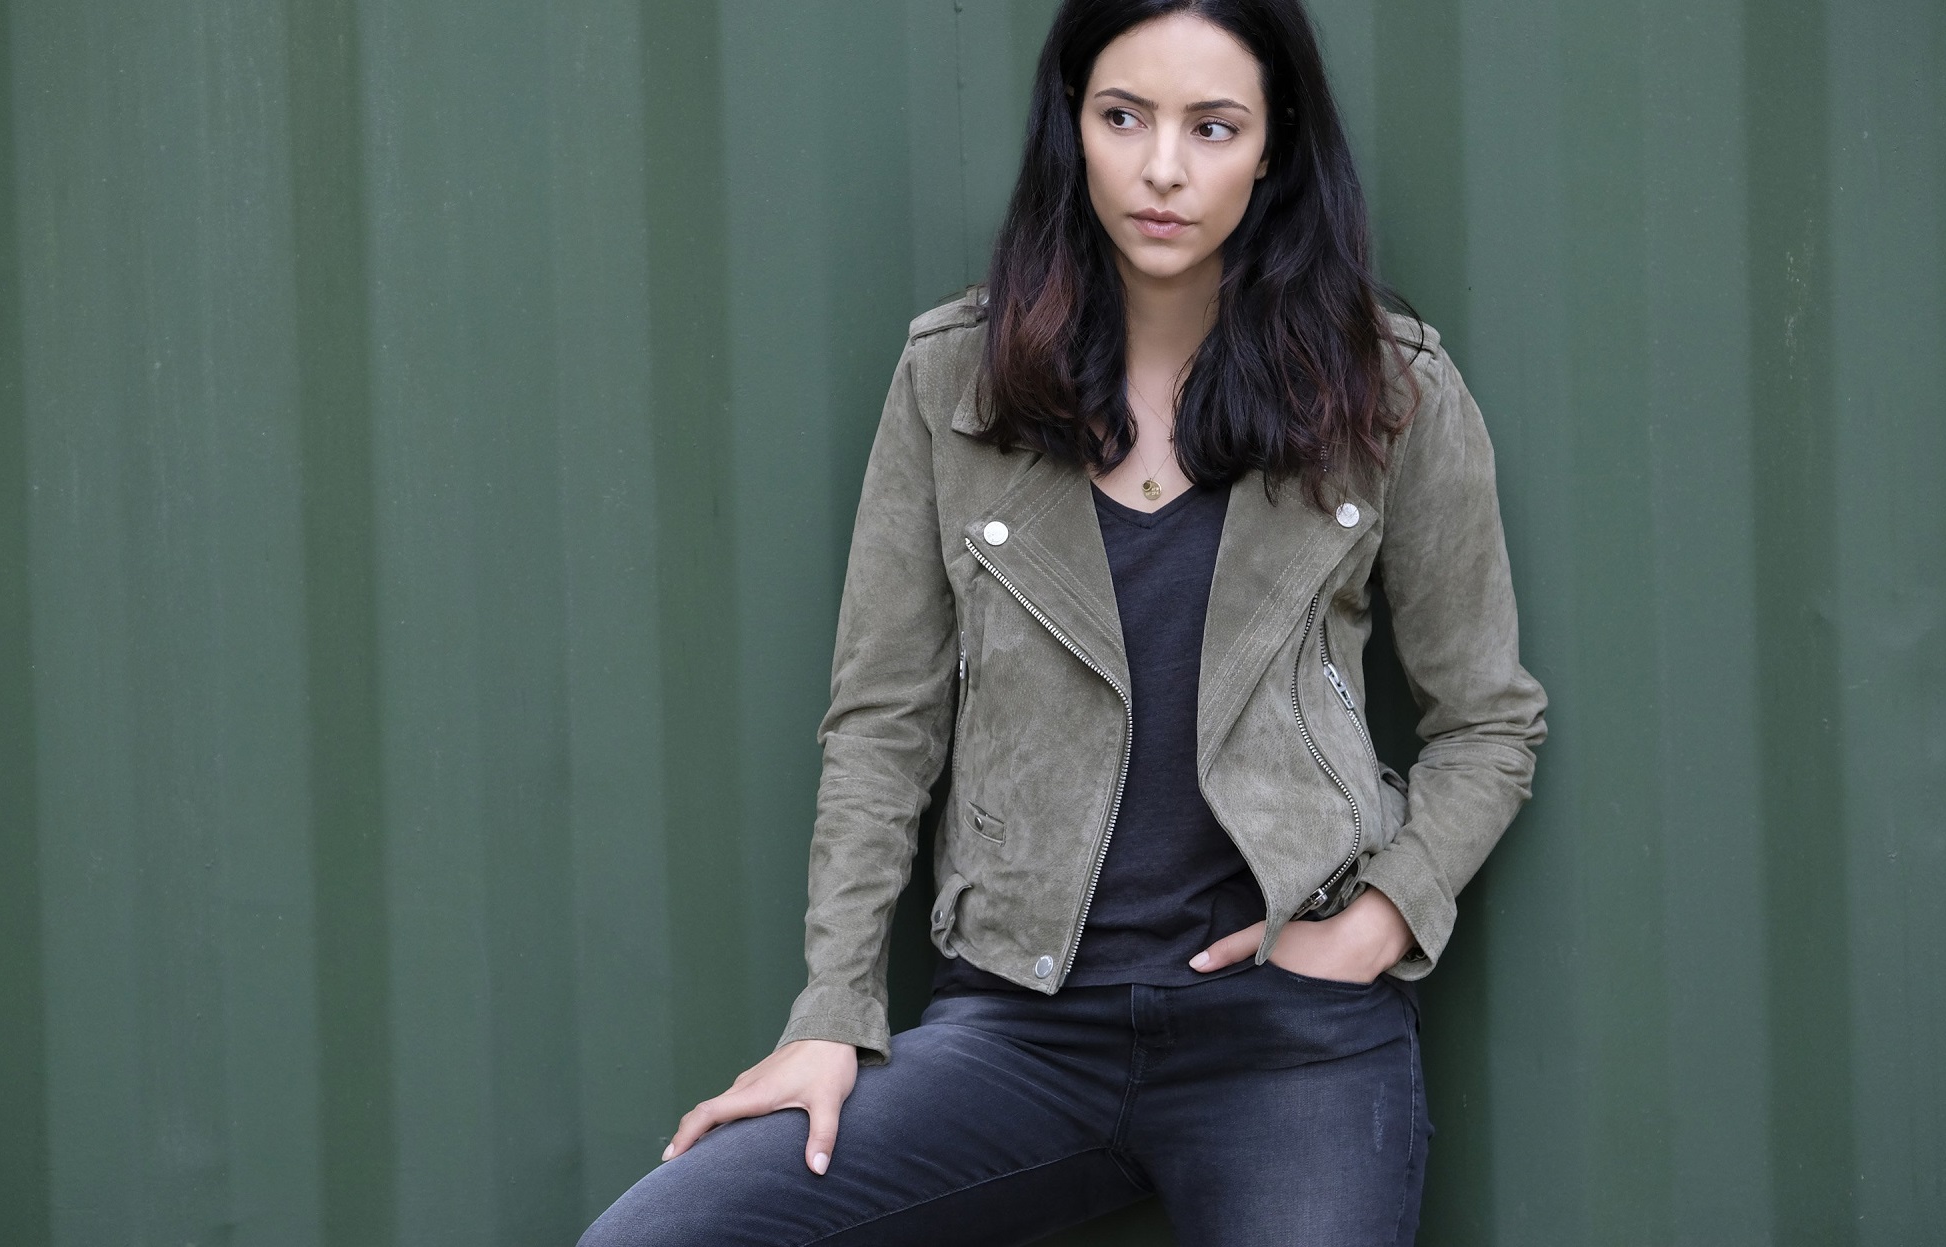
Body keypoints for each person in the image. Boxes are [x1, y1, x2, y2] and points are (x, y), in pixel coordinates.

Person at [580, 0, 1545, 1242]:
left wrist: (1381, 917)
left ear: (1274, 147)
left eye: (1214, 127)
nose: (1162, 168)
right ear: (1070, 125)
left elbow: (1488, 724)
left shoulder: (1387, 389)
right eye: (1124, 117)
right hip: (1021, 1025)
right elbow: (882, 726)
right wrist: (832, 1011)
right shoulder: (956, 379)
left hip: (1290, 1038)